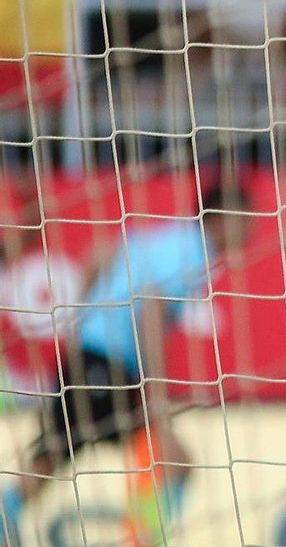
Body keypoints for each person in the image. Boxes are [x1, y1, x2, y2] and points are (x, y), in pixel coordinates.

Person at [0, 182, 252, 547]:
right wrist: (158, 396)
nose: (252, 228)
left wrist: (78, 326)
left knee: (51, 459)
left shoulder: (168, 238)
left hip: (93, 360)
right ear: (223, 218)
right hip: (107, 366)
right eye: (246, 218)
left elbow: (100, 253)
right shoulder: (193, 252)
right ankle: (139, 541)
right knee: (174, 462)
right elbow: (152, 308)